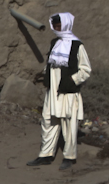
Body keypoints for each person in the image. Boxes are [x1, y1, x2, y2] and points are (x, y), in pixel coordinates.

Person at [27, 12, 91, 170]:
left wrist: (72, 80)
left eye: (59, 25)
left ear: (66, 24)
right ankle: (46, 155)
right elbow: (51, 63)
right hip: (53, 92)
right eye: (55, 25)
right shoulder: (54, 42)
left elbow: (85, 69)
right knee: (48, 122)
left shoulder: (77, 46)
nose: (56, 28)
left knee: (69, 125)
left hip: (67, 93)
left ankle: (69, 157)